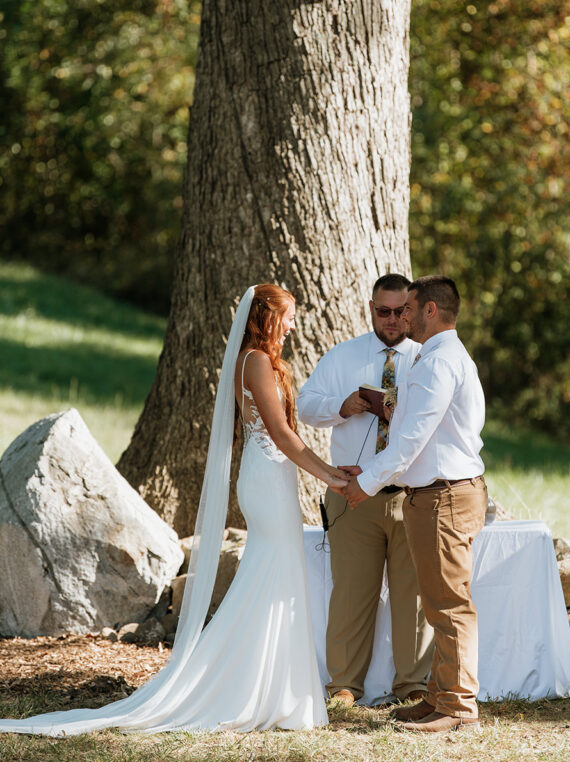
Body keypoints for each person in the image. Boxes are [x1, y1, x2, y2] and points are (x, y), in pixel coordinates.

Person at [0, 284, 347, 735]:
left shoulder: (262, 361)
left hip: (273, 478)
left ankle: (274, 688)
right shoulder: (256, 361)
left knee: (276, 576)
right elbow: (281, 435)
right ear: (267, 317)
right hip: (266, 479)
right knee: (274, 574)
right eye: (290, 316)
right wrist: (332, 476)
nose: (295, 324)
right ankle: (253, 689)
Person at [337, 275, 487, 734]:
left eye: (408, 309)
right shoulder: (440, 357)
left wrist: (367, 481)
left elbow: (411, 439)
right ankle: (439, 697)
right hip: (433, 494)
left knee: (448, 605)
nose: (400, 317)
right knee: (437, 601)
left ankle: (458, 708)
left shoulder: (440, 363)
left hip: (443, 495)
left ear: (429, 311)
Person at [298, 274, 433, 706]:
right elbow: (303, 406)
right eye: (383, 311)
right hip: (353, 495)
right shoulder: (343, 356)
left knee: (414, 597)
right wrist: (342, 406)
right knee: (352, 593)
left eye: (401, 312)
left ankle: (413, 686)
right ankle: (343, 686)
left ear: (411, 310)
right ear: (370, 308)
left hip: (411, 493)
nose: (392, 320)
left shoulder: (427, 360)